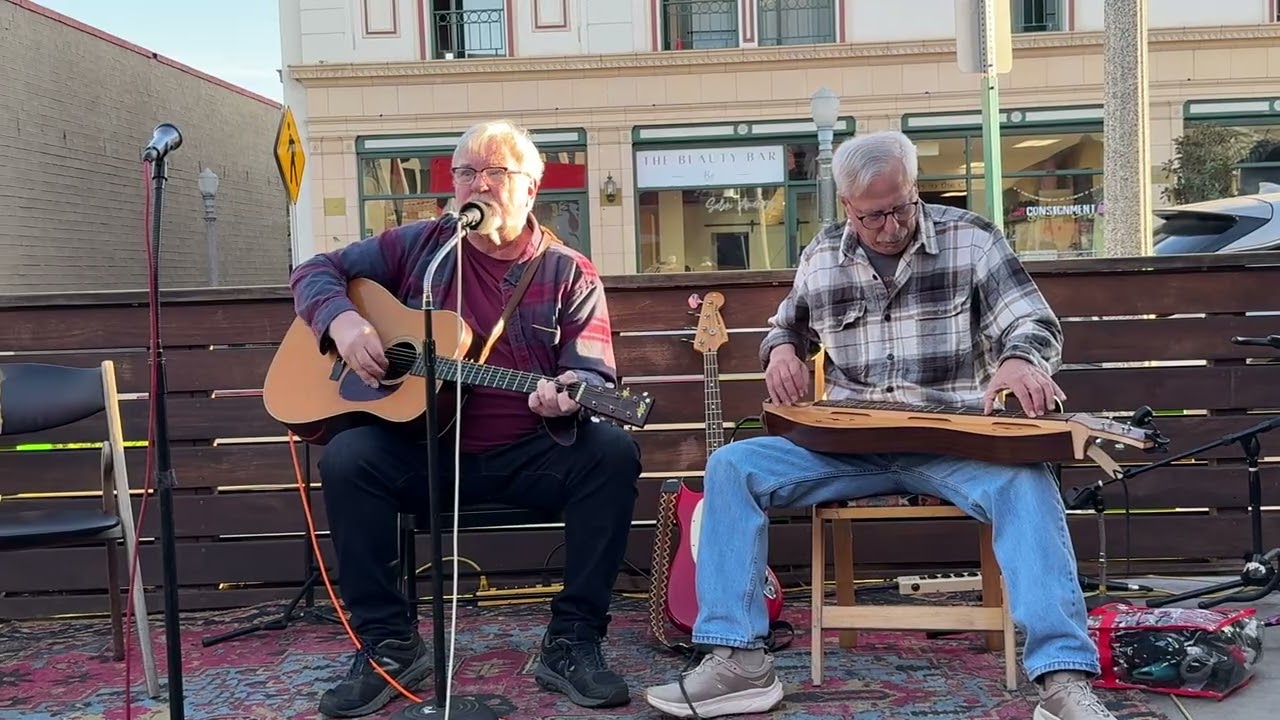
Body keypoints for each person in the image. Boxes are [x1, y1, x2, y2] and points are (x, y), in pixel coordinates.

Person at [644, 130, 1117, 720]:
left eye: (902, 207)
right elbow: (785, 327)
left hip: (954, 441)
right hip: (846, 447)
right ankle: (739, 663)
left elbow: (1032, 320)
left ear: (914, 188)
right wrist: (782, 352)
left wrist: (1021, 359)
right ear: (847, 206)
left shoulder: (972, 240)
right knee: (731, 465)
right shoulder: (821, 256)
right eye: (874, 217)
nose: (892, 226)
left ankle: (1062, 681)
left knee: (1028, 481)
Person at [290, 119, 640, 718]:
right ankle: (390, 645)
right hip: (422, 450)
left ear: (530, 188)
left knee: (612, 452)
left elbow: (593, 373)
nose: (477, 185)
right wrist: (344, 324)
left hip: (528, 455)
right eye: (466, 173)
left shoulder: (568, 271)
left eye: (495, 173)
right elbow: (314, 270)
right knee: (348, 459)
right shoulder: (420, 249)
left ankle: (573, 640)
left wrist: (572, 391)